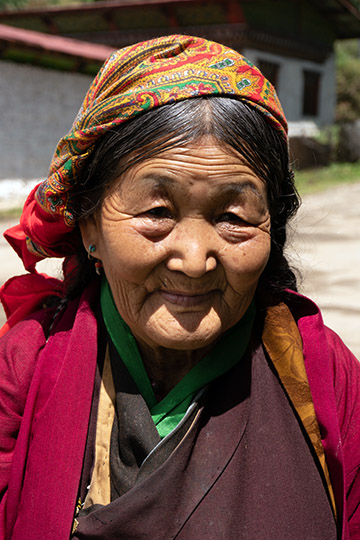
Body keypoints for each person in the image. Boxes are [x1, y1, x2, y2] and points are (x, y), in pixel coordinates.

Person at [0, 34, 359, 540]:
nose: (194, 261)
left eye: (233, 216)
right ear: (89, 227)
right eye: (156, 212)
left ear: (271, 229)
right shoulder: (23, 367)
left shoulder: (324, 373)